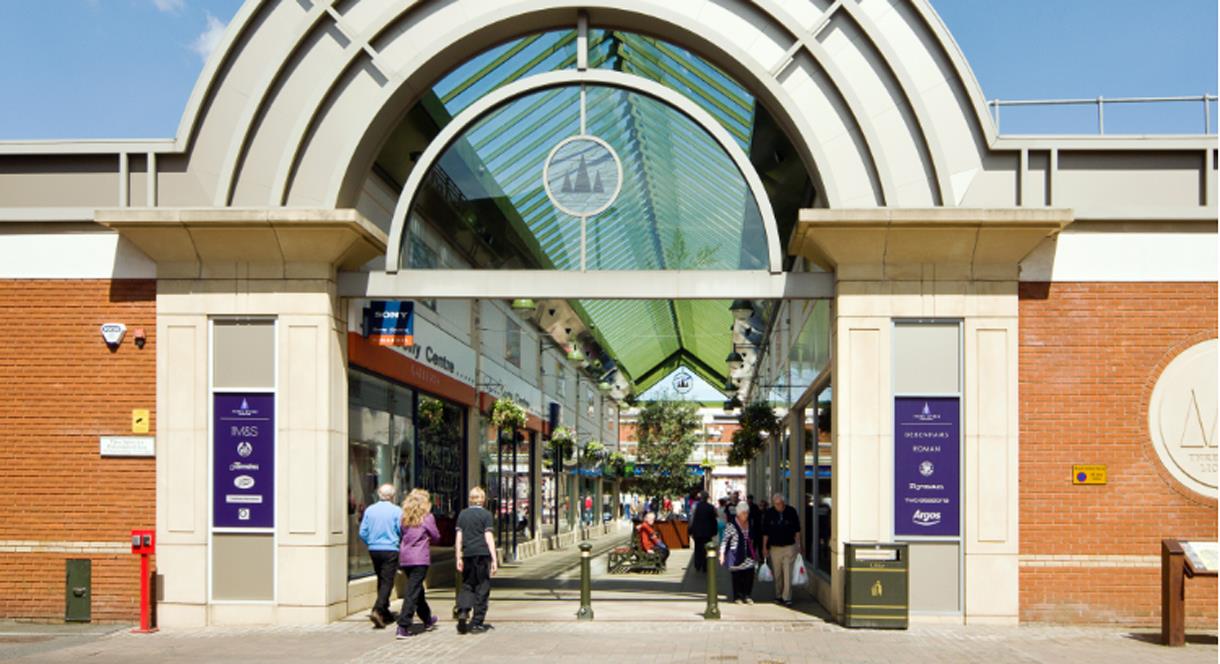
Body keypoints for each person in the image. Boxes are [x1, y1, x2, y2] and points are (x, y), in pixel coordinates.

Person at [395, 489, 441, 639]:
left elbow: (400, 534)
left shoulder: (404, 517)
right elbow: (436, 536)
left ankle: (427, 619)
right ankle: (403, 625)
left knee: (417, 589)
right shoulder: (427, 517)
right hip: (420, 558)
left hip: (405, 557)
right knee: (412, 592)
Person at [358, 483, 402, 628]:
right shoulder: (397, 511)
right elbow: (400, 530)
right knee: (387, 580)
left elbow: (362, 532)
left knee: (381, 579)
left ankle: (384, 610)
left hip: (374, 549)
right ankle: (378, 609)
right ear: (392, 496)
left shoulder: (370, 510)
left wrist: (371, 542)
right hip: (390, 549)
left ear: (378, 494)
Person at [455, 486, 498, 635]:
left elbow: (459, 538)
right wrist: (494, 558)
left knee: (467, 584)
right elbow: (488, 537)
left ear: (470, 499)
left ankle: (463, 610)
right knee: (482, 586)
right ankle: (477, 622)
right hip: (482, 553)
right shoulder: (486, 515)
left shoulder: (462, 515)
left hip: (467, 554)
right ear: (483, 500)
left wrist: (458, 556)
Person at [762, 492, 803, 607]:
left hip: (789, 546)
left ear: (783, 502)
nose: (778, 506)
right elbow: (765, 532)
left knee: (787, 572)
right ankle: (778, 595)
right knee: (778, 573)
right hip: (774, 548)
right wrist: (764, 547)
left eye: (779, 504)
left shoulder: (791, 512)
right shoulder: (769, 513)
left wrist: (799, 546)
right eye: (776, 504)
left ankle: (787, 597)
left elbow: (797, 531)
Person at [719, 500, 757, 604]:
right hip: (735, 555)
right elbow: (724, 540)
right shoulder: (731, 525)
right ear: (739, 513)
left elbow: (752, 538)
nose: (746, 515)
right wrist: (722, 554)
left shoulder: (750, 523)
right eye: (744, 513)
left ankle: (747, 595)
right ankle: (737, 596)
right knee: (737, 576)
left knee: (749, 575)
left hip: (748, 553)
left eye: (747, 513)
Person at [688, 491, 718, 572]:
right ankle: (705, 566)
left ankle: (698, 564)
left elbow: (692, 518)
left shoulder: (695, 506)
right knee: (706, 549)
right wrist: (714, 531)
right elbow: (713, 520)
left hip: (697, 531)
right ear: (707, 498)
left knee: (698, 548)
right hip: (707, 532)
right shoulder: (711, 507)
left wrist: (690, 530)